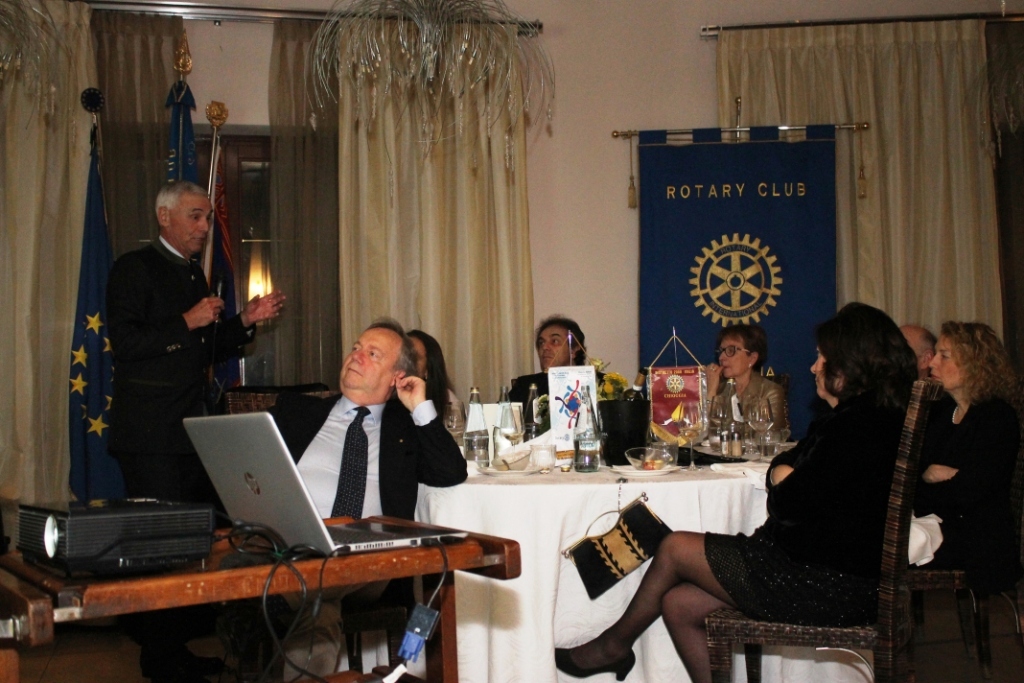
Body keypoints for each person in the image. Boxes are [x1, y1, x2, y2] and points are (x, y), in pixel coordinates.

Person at [555, 303, 917, 683]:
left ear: (848, 366)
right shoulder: (859, 419)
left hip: (825, 584)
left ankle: (612, 646)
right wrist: (782, 473)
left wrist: (782, 476)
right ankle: (614, 646)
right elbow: (789, 461)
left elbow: (788, 504)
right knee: (679, 604)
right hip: (816, 569)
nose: (814, 368)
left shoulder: (857, 428)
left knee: (674, 547)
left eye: (821, 359)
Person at [106, 180, 286, 683]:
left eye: (208, 217)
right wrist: (186, 321)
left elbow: (205, 349)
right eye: (195, 216)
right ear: (164, 217)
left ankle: (174, 649)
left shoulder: (192, 274)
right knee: (158, 549)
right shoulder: (134, 269)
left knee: (189, 547)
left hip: (192, 434)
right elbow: (126, 344)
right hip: (150, 436)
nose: (206, 227)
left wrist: (245, 319)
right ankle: (157, 659)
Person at [267, 319, 468, 676]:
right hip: (289, 545)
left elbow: (450, 472)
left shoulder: (405, 429)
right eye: (356, 348)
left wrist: (420, 407)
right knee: (319, 602)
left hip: (369, 560)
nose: (356, 356)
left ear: (397, 376)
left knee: (320, 584)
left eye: (373, 354)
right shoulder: (297, 412)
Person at [913, 322, 1023, 594]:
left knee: (883, 549)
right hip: (941, 525)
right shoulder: (941, 412)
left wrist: (929, 479)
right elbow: (914, 473)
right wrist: (930, 474)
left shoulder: (996, 418)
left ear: (975, 365)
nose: (933, 363)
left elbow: (971, 491)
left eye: (944, 356)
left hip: (977, 541)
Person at [705, 323, 789, 431]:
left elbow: (769, 434)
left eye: (731, 350)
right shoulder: (718, 389)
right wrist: (711, 391)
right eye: (721, 351)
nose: (721, 357)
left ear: (752, 358)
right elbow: (705, 432)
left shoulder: (770, 391)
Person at [509, 315, 594, 404]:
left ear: (574, 349)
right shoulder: (525, 386)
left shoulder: (599, 383)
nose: (544, 347)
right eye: (541, 342)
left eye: (554, 341)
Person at [408, 329, 458, 408]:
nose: (407, 363)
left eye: (414, 358)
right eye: (403, 357)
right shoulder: (388, 396)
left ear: (427, 369)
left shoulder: (446, 399)